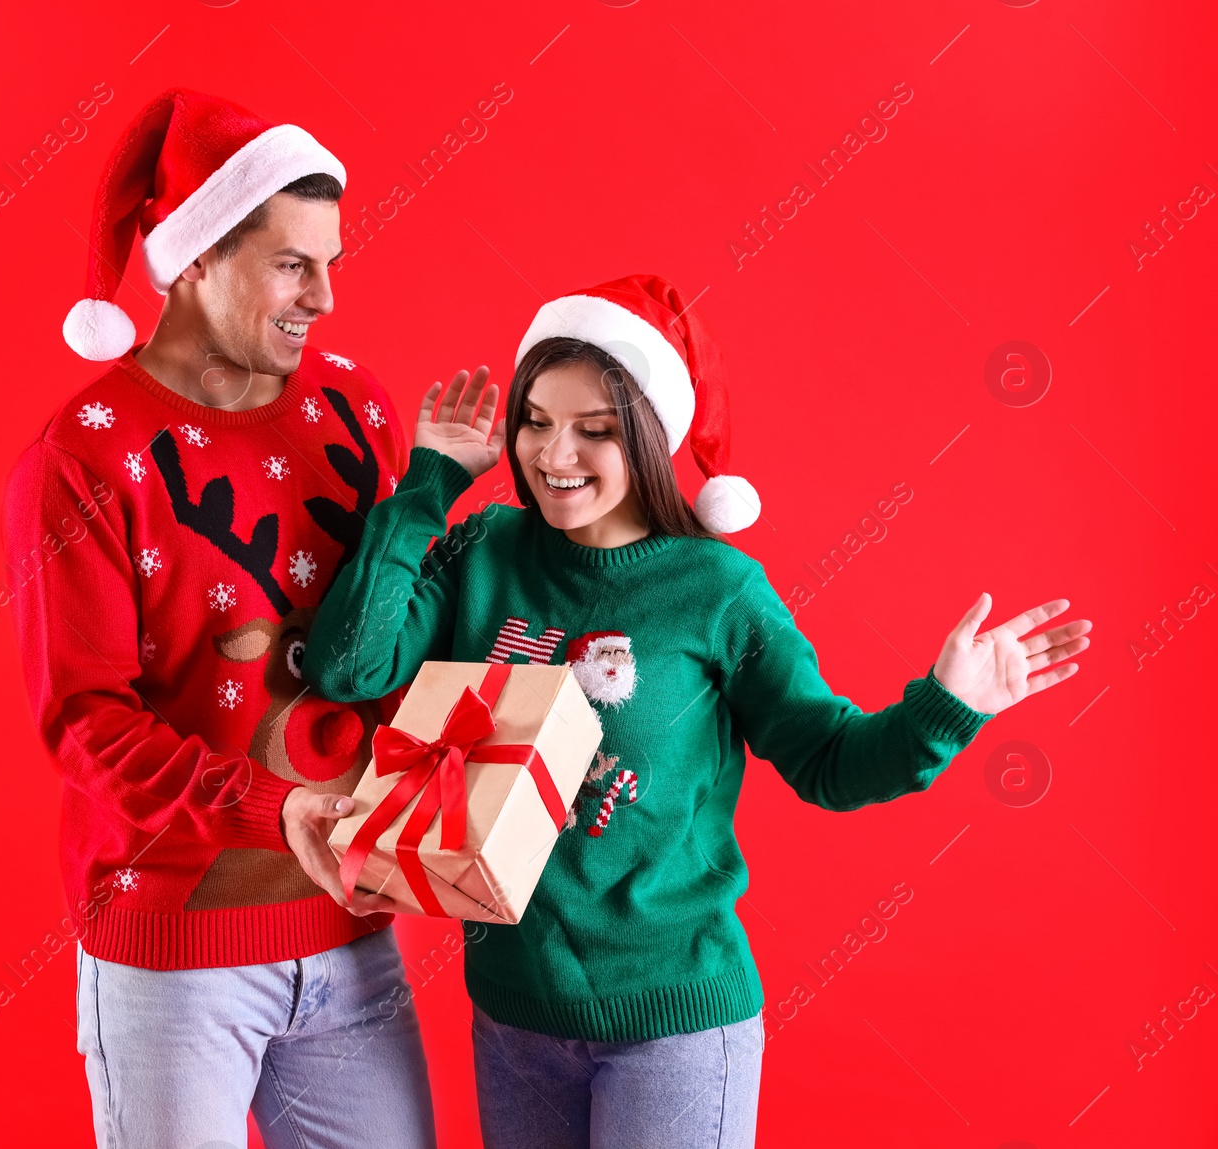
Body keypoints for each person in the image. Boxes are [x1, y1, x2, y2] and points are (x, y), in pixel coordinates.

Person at [301, 274, 1092, 1148]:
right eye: (536, 420)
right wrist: (431, 483)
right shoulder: (489, 549)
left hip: (673, 1025)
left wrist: (948, 706)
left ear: (647, 437)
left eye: (594, 431)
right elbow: (349, 665)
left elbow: (828, 759)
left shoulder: (716, 589)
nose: (553, 455)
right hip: (514, 1016)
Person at [2, 88, 429, 1149]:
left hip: (352, 930)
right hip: (170, 954)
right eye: (292, 264)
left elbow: (391, 634)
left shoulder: (354, 406)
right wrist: (271, 808)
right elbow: (89, 724)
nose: (324, 296)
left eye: (331, 260)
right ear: (193, 261)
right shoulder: (84, 456)